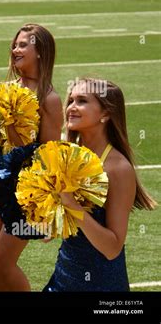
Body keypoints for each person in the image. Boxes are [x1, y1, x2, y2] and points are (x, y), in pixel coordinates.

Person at [44, 78, 156, 291]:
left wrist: (71, 205)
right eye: (71, 100)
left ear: (105, 114)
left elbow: (112, 248)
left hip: (101, 285)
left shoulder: (118, 169)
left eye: (82, 101)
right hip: (63, 277)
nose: (71, 108)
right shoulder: (68, 154)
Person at [0, 24, 63, 291]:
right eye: (14, 45)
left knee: (3, 262)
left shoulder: (48, 98)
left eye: (23, 45)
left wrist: (50, 208)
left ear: (40, 52)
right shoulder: (7, 89)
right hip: (2, 178)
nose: (15, 50)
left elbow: (47, 154)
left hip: (30, 188)